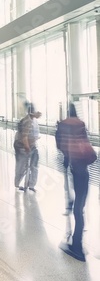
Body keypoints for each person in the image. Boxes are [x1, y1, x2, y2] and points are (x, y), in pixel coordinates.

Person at [56, 103, 97, 261]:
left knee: (78, 209)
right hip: (83, 168)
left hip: (74, 166)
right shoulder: (80, 124)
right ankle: (77, 240)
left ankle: (77, 246)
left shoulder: (63, 124)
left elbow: (61, 145)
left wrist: (66, 158)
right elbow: (83, 142)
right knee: (80, 204)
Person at [14, 103, 40, 192]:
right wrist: (27, 147)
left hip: (30, 146)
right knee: (23, 166)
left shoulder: (32, 120)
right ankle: (22, 184)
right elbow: (24, 137)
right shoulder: (28, 121)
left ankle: (29, 185)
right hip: (24, 146)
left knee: (32, 165)